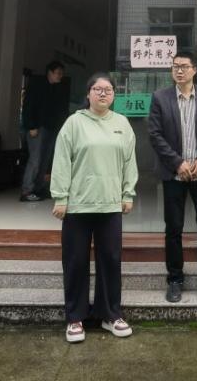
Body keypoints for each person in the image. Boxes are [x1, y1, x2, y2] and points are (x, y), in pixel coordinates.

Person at [50, 73, 138, 343]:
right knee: (75, 261)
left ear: (114, 95)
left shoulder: (122, 123)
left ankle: (110, 314)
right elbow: (62, 161)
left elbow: (129, 162)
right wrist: (60, 197)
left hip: (110, 204)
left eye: (108, 90)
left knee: (110, 260)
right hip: (78, 205)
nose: (103, 93)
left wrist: (128, 193)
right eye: (97, 89)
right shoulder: (74, 123)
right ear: (88, 94)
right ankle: (75, 318)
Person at [147, 49, 197, 304]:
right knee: (174, 228)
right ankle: (175, 280)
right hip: (174, 174)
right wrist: (178, 163)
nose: (179, 70)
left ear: (194, 70)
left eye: (184, 66)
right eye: (175, 66)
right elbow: (155, 134)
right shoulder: (160, 97)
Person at [21, 61, 69, 201]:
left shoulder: (58, 88)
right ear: (50, 72)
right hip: (37, 128)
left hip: (51, 128)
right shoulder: (37, 85)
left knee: (45, 160)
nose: (60, 76)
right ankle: (26, 191)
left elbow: (60, 110)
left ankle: (39, 188)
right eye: (58, 73)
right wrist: (31, 126)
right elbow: (28, 106)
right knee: (35, 159)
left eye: (61, 73)